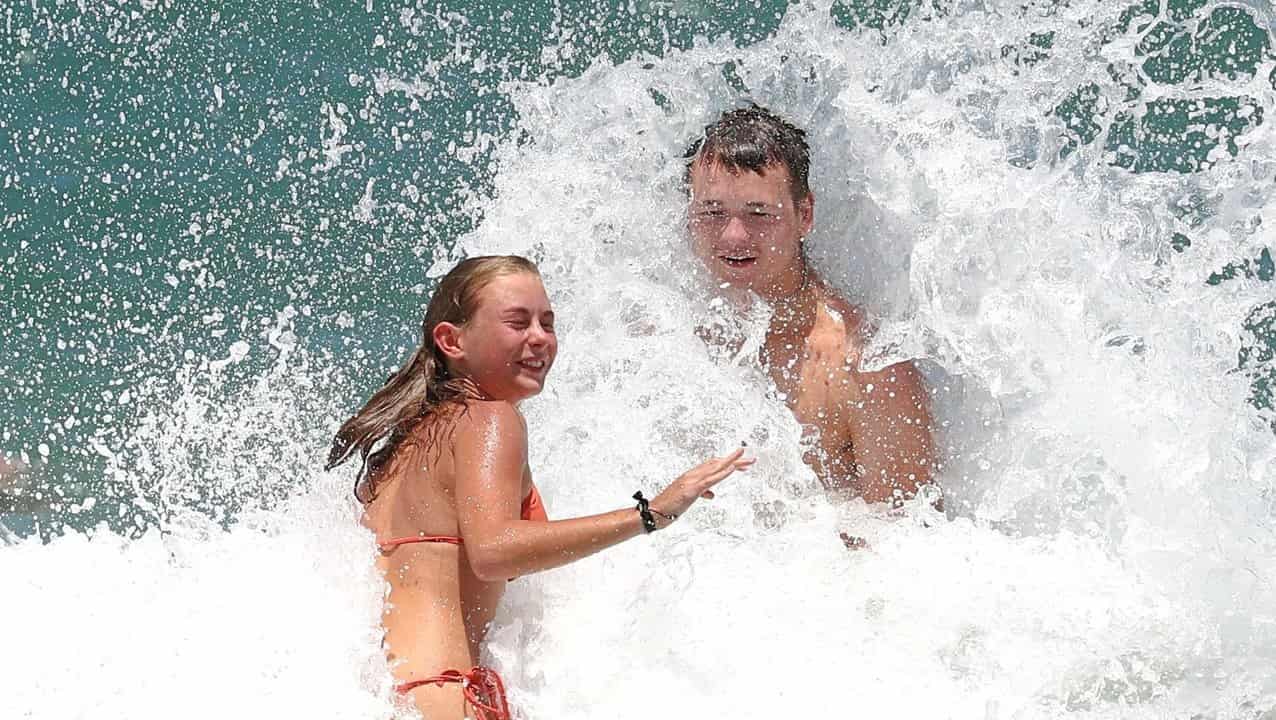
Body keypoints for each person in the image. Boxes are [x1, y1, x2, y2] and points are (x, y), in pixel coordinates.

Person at [326, 255, 752, 720]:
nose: (540, 338)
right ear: (452, 340)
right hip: (450, 700)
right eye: (517, 322)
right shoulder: (490, 420)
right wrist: (650, 514)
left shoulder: (405, 445)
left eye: (548, 323)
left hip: (394, 701)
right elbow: (494, 551)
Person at [684, 106, 936, 507]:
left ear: (805, 216)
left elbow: (905, 549)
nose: (733, 236)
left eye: (758, 213)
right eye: (713, 212)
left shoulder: (869, 366)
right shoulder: (666, 333)